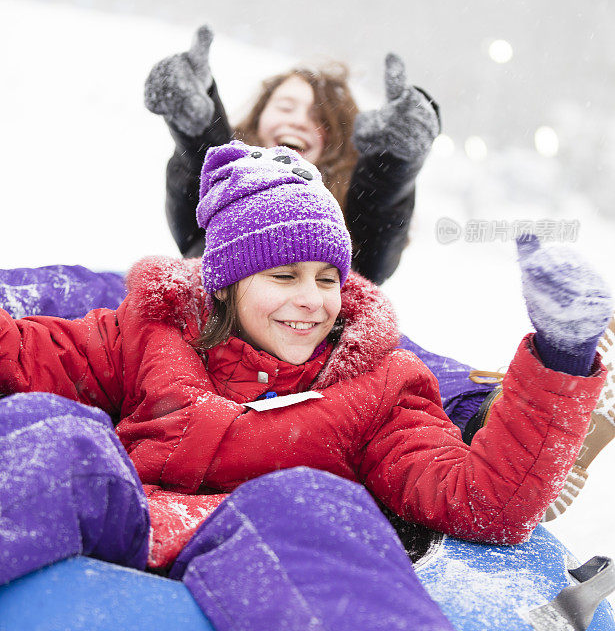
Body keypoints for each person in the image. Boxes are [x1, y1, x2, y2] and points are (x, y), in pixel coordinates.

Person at [0, 141, 611, 630]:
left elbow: (479, 501)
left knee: (311, 503)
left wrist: (561, 354)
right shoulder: (149, 332)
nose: (310, 301)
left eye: (326, 278)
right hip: (130, 518)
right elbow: (25, 354)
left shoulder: (377, 384)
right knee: (58, 435)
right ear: (227, 284)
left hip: (265, 548)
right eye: (283, 275)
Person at [144, 25, 441, 285]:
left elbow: (381, 213)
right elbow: (200, 167)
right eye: (286, 107)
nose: (299, 121)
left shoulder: (355, 208)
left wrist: (395, 158)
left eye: (319, 118)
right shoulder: (220, 188)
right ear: (259, 117)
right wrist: (196, 127)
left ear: (337, 138)